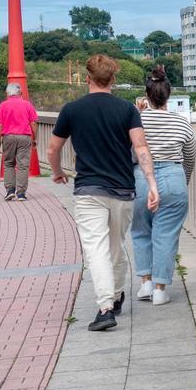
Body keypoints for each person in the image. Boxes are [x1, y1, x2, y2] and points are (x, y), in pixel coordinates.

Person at [48, 55, 159, 332]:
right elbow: (141, 149)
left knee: (96, 248)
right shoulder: (127, 110)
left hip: (88, 189)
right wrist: (152, 183)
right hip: (123, 189)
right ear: (113, 79)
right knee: (116, 245)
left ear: (87, 78)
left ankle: (106, 307)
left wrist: (57, 172)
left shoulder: (72, 110)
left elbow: (53, 148)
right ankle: (117, 294)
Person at [131, 65, 195, 306]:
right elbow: (189, 156)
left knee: (140, 231)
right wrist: (183, 180)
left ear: (147, 96)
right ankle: (160, 289)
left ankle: (145, 283)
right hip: (173, 176)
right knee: (166, 234)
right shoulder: (181, 123)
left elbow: (129, 150)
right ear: (168, 96)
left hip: (140, 177)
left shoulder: (135, 120)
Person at [0, 83, 38, 202]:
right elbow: (33, 123)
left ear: (8, 93)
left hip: (8, 137)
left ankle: (10, 191)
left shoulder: (3, 105)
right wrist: (34, 138)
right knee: (23, 165)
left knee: (8, 164)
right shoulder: (27, 105)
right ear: (20, 93)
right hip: (24, 137)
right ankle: (21, 194)